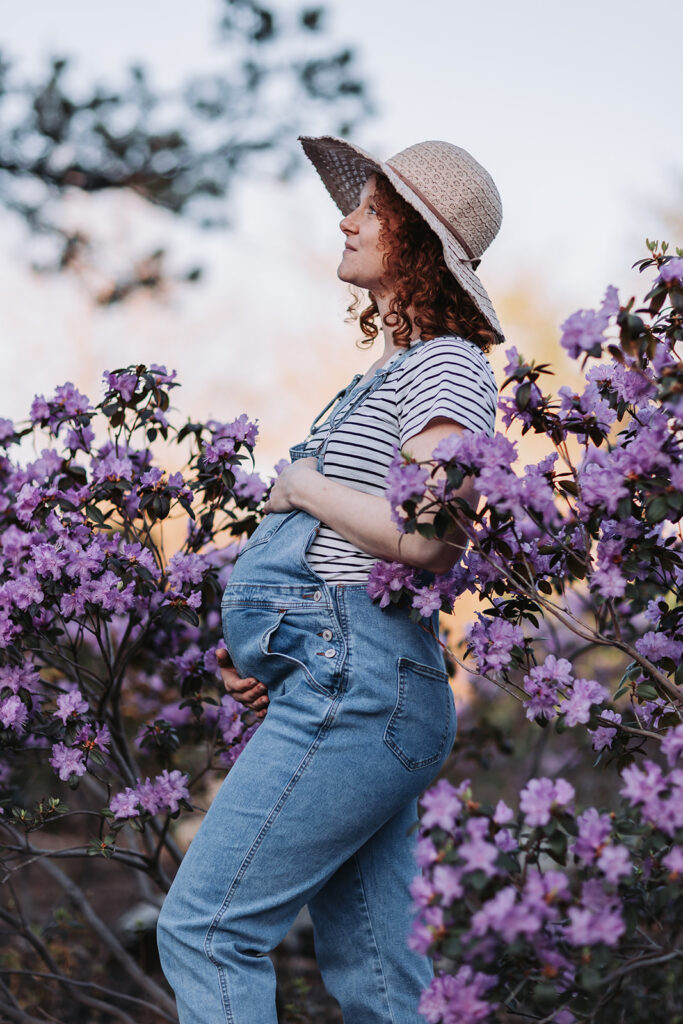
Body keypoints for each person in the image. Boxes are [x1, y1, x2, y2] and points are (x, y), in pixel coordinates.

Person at [157, 134, 503, 1024]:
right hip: (347, 678)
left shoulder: (446, 365)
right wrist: (273, 660)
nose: (345, 219)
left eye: (371, 209)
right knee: (377, 978)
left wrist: (302, 485)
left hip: (361, 681)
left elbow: (431, 541)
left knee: (205, 929)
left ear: (419, 242)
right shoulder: (390, 373)